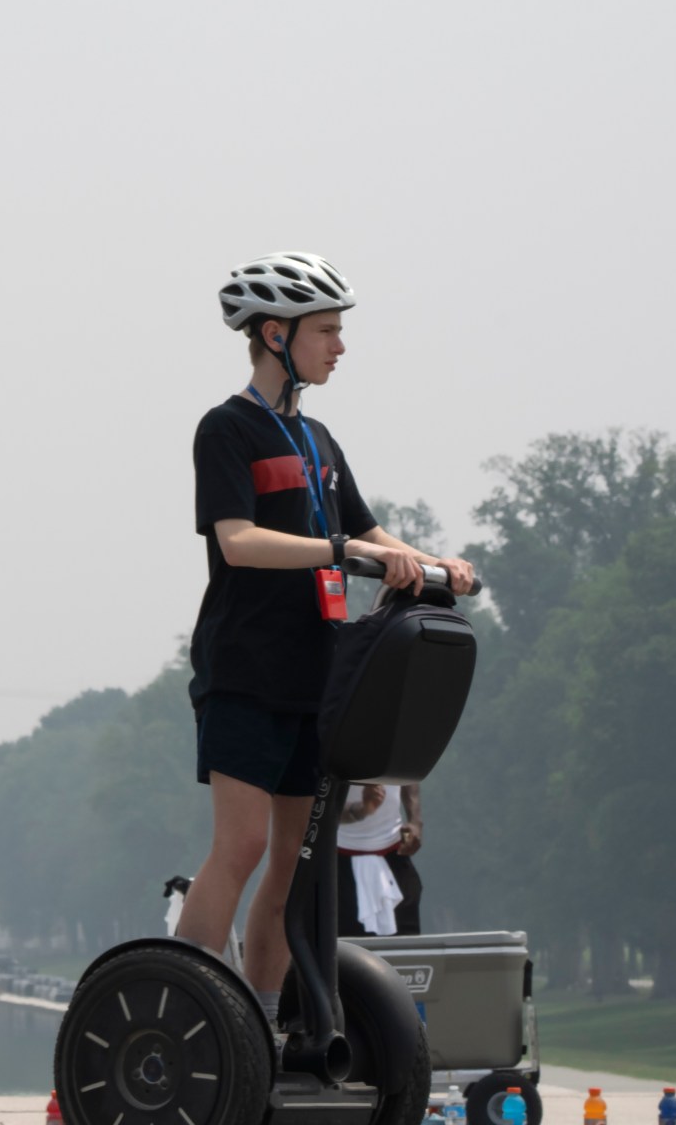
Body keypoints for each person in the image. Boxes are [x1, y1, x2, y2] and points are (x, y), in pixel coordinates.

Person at [172, 252, 474, 1025]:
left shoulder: (318, 441)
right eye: (326, 331)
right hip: (243, 671)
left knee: (295, 866)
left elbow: (367, 530)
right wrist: (348, 553)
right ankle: (200, 1019)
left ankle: (263, 1027)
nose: (339, 346)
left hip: (316, 675)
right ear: (276, 334)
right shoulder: (227, 429)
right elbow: (238, 541)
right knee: (237, 851)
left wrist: (434, 561)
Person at [335, 782, 424, 937]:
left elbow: (410, 772)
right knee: (346, 951)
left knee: (406, 947)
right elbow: (321, 806)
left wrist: (415, 821)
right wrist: (362, 809)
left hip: (396, 854)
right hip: (338, 861)